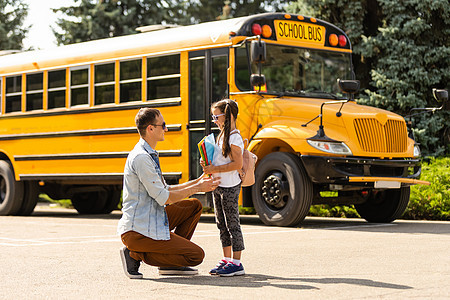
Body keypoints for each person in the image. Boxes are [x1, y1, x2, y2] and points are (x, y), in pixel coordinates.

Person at [118, 107, 220, 279]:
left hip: (151, 219)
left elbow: (166, 189)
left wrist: (199, 181)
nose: (166, 129)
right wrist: (198, 188)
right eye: (163, 125)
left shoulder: (149, 154)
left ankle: (170, 263)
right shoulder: (141, 158)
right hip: (138, 230)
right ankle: (134, 254)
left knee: (194, 206)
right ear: (150, 128)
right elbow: (164, 198)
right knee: (196, 256)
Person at [201, 99, 245, 277]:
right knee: (221, 224)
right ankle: (226, 259)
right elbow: (220, 159)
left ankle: (237, 263)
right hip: (218, 185)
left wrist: (214, 169)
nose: (214, 120)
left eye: (216, 116)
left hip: (229, 186)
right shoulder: (220, 135)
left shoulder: (234, 138)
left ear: (228, 116)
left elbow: (237, 164)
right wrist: (207, 161)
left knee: (232, 223)